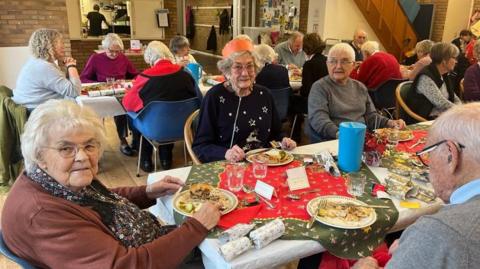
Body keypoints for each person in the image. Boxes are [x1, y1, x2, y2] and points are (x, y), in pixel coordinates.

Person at [1, 99, 221, 268]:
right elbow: (125, 266)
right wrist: (196, 227)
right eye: (66, 148)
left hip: (145, 245)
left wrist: (147, 191)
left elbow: (101, 198)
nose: (82, 157)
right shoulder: (43, 216)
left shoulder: (52, 180)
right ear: (39, 155)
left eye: (89, 146)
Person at [353, 102, 480, 269]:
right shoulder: (433, 236)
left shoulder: (437, 233)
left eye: (428, 154)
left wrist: (424, 241)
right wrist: (417, 248)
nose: (428, 166)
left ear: (451, 155)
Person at [192, 39, 297, 163]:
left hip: (262, 165)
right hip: (227, 167)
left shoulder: (264, 95)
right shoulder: (214, 97)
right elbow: (200, 146)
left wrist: (284, 140)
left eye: (249, 66)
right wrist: (225, 153)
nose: (245, 73)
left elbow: (276, 132)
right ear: (227, 70)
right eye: (238, 67)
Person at [123, 41, 199, 171]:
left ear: (150, 59)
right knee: (170, 115)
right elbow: (198, 99)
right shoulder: (186, 73)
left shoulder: (146, 76)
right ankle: (166, 158)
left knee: (135, 116)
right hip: (183, 128)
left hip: (154, 129)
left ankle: (145, 160)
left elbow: (128, 104)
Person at [307, 43, 405, 142]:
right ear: (327, 64)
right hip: (335, 141)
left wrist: (391, 122)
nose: (338, 66)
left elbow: (371, 116)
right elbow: (319, 120)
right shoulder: (319, 87)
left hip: (362, 139)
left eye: (344, 61)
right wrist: (341, 134)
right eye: (333, 61)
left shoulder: (360, 87)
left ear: (353, 65)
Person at [80, 33, 139, 157]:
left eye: (118, 51)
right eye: (111, 51)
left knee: (121, 110)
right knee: (96, 116)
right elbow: (84, 78)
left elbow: (134, 74)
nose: (115, 54)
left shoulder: (122, 58)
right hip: (102, 94)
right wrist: (101, 84)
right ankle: (96, 144)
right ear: (104, 48)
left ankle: (123, 141)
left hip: (118, 92)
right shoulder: (95, 58)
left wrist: (125, 81)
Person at [12, 28, 81, 111]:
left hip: (35, 107)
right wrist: (71, 65)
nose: (64, 46)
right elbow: (75, 91)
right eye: (60, 42)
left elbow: (64, 86)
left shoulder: (38, 62)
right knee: (82, 107)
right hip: (36, 112)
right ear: (48, 45)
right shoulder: (43, 66)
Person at [406, 42, 461, 123]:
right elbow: (441, 102)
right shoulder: (425, 77)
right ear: (444, 60)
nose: (456, 61)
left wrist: (461, 109)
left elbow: (454, 97)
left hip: (442, 116)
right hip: (426, 119)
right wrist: (461, 111)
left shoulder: (444, 74)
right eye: (454, 58)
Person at [290, 32, 328, 142]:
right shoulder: (326, 61)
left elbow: (306, 90)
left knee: (292, 100)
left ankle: (295, 135)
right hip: (326, 101)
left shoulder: (309, 64)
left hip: (313, 102)